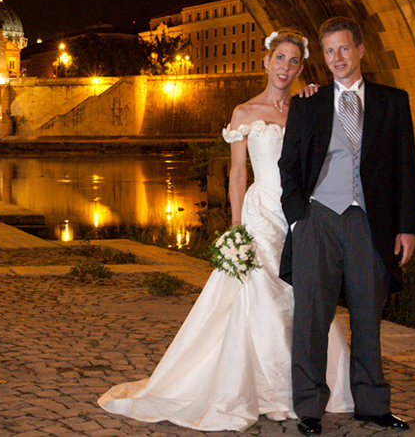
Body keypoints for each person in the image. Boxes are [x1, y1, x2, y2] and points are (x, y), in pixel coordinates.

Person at [97, 29, 354, 431]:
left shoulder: (308, 108)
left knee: (304, 296)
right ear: (265, 62)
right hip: (260, 215)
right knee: (262, 298)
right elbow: (237, 174)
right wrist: (236, 228)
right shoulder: (244, 113)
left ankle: (308, 385)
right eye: (279, 59)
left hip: (301, 216)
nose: (285, 67)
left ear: (301, 68)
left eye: (293, 61)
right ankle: (269, 390)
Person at [278, 17, 415, 436]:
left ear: (360, 50)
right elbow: (288, 166)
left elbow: (405, 169)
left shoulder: (393, 101)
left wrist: (406, 227)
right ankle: (309, 409)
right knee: (311, 318)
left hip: (367, 223)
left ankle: (372, 405)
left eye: (343, 49)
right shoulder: (309, 102)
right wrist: (298, 217)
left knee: (367, 316)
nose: (337, 58)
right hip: (317, 218)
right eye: (329, 51)